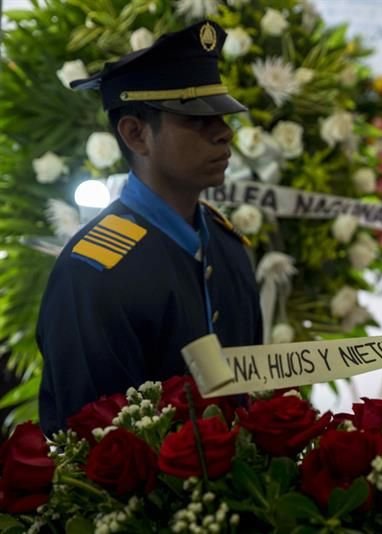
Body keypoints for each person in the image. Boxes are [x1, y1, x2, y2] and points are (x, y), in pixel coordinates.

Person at [37, 21, 262, 435]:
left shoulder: (226, 244)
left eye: (222, 116)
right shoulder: (94, 274)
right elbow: (93, 444)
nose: (224, 133)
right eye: (197, 119)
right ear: (136, 134)